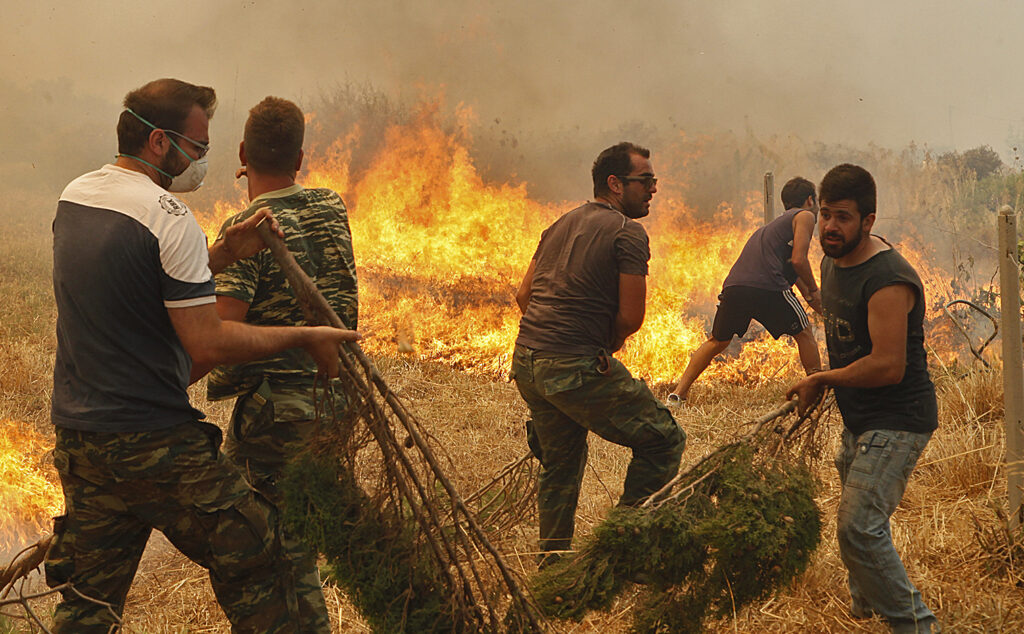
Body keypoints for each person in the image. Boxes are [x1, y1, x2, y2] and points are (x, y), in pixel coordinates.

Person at [45, 78, 360, 633]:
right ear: (160, 143)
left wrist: (223, 253)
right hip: (154, 443)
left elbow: (136, 281)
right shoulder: (169, 216)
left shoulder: (77, 196)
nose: (203, 159)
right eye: (199, 144)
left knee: (88, 604)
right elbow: (209, 341)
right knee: (260, 551)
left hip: (80, 436)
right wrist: (303, 335)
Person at [205, 96, 359, 633]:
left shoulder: (248, 223)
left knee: (264, 557)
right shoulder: (331, 204)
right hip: (335, 402)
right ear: (300, 156)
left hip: (277, 415)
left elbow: (221, 333)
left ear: (243, 152)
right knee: (299, 548)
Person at [511, 142, 686, 562]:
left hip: (527, 362)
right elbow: (630, 318)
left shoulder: (560, 223)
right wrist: (600, 346)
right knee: (664, 440)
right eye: (645, 181)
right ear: (615, 183)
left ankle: (553, 565)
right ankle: (621, 551)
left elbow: (523, 294)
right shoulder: (628, 233)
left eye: (653, 181)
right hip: (571, 364)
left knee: (560, 463)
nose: (653, 190)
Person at [787, 164, 939, 634]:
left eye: (844, 218)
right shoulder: (833, 260)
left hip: (898, 419)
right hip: (861, 418)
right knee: (858, 521)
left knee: (858, 527)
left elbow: (888, 366)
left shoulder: (888, 279)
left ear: (868, 221)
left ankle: (916, 625)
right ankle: (866, 605)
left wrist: (824, 378)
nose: (830, 227)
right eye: (826, 214)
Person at [666, 176, 822, 404]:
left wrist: (820, 307)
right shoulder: (805, 215)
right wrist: (816, 290)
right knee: (804, 333)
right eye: (817, 203)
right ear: (810, 200)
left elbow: (794, 272)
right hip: (768, 286)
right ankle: (816, 390)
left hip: (736, 287)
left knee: (717, 341)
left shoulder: (771, 231)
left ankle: (677, 395)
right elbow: (799, 260)